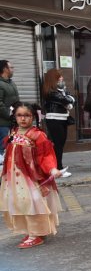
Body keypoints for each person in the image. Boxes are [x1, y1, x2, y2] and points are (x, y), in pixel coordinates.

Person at [0, 102, 63, 248]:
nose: (23, 119)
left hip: (31, 178)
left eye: (27, 115)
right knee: (21, 204)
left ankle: (36, 234)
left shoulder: (38, 135)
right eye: (19, 115)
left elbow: (46, 155)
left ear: (33, 117)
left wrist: (52, 169)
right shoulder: (13, 133)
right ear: (14, 117)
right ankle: (32, 231)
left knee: (33, 204)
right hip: (14, 178)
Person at [42, 68, 74, 177]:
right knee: (57, 145)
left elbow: (72, 99)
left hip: (63, 119)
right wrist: (67, 99)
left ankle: (58, 167)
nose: (62, 78)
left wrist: (67, 99)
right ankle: (57, 168)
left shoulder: (61, 90)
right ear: (53, 78)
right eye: (59, 77)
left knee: (61, 144)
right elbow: (66, 100)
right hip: (54, 119)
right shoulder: (50, 92)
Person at [0, 60, 19, 159]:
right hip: (3, 124)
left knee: (11, 148)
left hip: (12, 122)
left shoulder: (11, 83)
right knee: (2, 149)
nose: (13, 69)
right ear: (5, 69)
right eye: (11, 67)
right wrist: (10, 114)